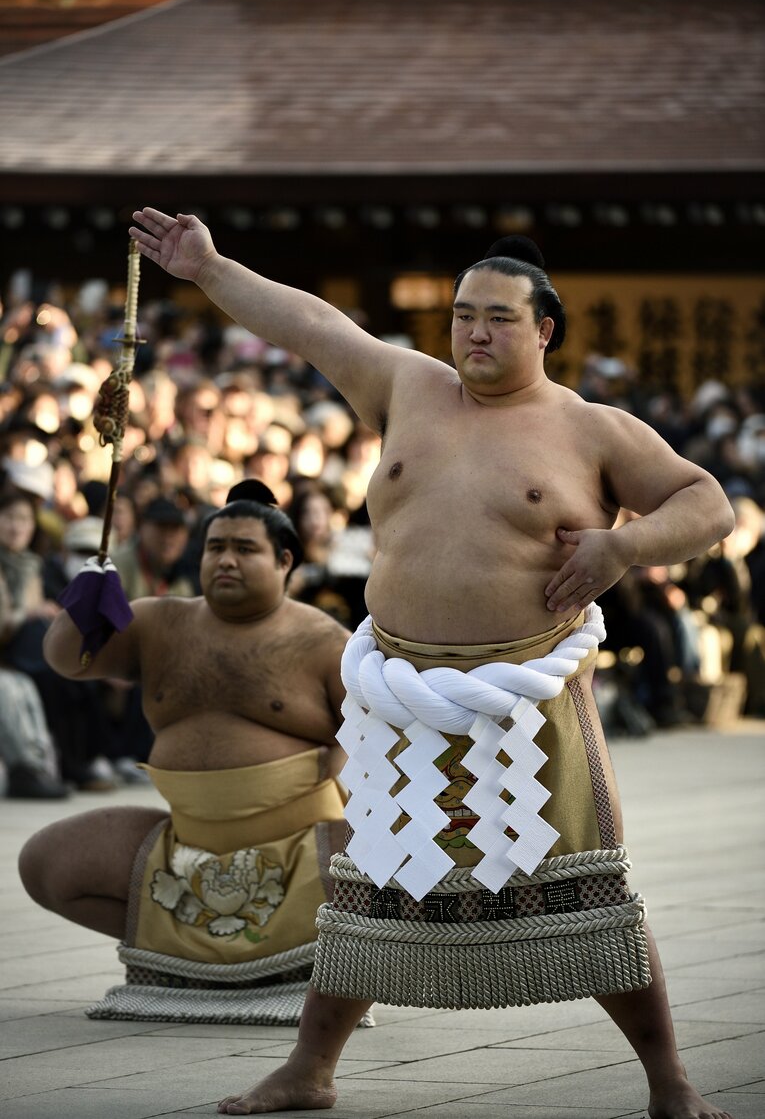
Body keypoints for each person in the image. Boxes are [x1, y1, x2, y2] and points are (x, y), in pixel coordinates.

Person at [126, 208, 735, 1119]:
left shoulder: (592, 429)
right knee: (367, 883)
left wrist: (624, 547)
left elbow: (709, 503)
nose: (474, 332)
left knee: (591, 890)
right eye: (461, 315)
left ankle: (669, 1081)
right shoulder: (407, 386)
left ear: (544, 329)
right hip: (399, 694)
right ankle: (310, 1068)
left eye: (496, 316)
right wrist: (209, 269)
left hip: (524, 701)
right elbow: (313, 325)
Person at [18, 480, 351, 1023]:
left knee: (396, 858)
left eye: (245, 549)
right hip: (186, 847)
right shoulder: (156, 621)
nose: (226, 560)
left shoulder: (325, 641)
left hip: (302, 850)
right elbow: (69, 661)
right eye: (216, 547)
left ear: (284, 560)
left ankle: (304, 954)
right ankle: (186, 953)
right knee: (46, 863)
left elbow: (371, 745)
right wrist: (86, 598)